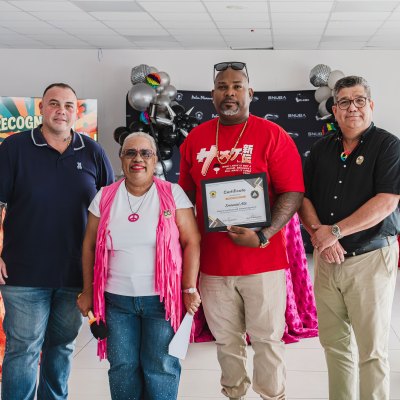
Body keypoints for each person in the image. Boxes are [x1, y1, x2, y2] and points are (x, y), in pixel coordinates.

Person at [178, 61, 304, 400]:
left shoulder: (272, 134)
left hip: (262, 261)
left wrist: (263, 234)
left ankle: (271, 395)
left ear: (250, 93)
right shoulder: (197, 138)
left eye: (236, 86)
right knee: (226, 342)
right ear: (212, 94)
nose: (229, 92)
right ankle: (234, 394)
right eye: (222, 86)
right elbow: (184, 198)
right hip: (214, 265)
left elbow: (292, 191)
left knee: (266, 340)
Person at [0, 82, 114, 399]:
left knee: (61, 347)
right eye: (53, 103)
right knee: (23, 350)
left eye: (67, 105)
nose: (60, 111)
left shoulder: (93, 151)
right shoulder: (14, 148)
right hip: (23, 273)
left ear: (76, 111)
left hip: (75, 274)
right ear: (41, 109)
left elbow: (109, 209)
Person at [77, 132, 201, 400]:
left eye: (145, 153)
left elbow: (192, 241)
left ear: (155, 159)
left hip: (162, 302)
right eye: (130, 152)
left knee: (161, 367)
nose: (138, 159)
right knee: (123, 367)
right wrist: (87, 290)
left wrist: (189, 287)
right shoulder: (105, 196)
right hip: (117, 301)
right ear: (121, 158)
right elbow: (88, 246)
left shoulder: (172, 194)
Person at [299, 75, 400, 400]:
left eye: (359, 101)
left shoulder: (389, 146)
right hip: (328, 262)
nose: (352, 108)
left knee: (371, 351)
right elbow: (303, 197)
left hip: (370, 259)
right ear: (334, 109)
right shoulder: (320, 148)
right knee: (334, 345)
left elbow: (387, 201)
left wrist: (335, 232)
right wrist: (320, 237)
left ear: (370, 105)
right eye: (344, 102)